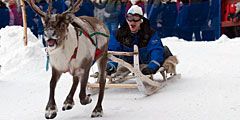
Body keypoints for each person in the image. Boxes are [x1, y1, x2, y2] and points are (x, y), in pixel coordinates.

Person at [106, 5, 173, 76]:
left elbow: (156, 49)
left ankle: (166, 54)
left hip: (146, 60)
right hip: (129, 60)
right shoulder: (118, 34)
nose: (132, 21)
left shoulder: (150, 33)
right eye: (130, 18)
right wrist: (111, 64)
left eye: (136, 18)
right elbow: (113, 50)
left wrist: (152, 66)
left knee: (162, 51)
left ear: (141, 20)